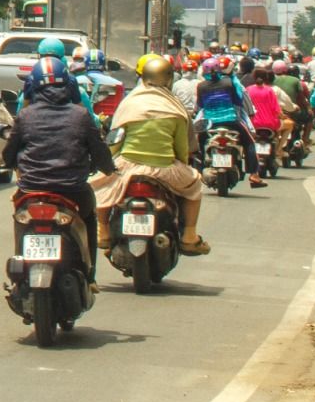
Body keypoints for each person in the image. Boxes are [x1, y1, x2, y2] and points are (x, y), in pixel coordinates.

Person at [1, 55, 116, 276]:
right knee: (89, 215)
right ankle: (89, 275)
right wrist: (108, 168)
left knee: (20, 217)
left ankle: (19, 272)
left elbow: (9, 153)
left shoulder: (25, 115)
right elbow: (99, 151)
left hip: (31, 190)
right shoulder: (81, 115)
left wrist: (13, 164)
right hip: (72, 190)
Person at [94, 55, 211, 255]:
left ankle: (103, 230)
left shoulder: (129, 103)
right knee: (195, 185)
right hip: (164, 168)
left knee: (102, 188)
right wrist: (183, 167)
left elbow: (115, 139)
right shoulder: (175, 108)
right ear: (168, 78)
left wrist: (111, 164)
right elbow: (181, 150)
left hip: (128, 165)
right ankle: (189, 236)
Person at [197, 58, 265, 187]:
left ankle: (198, 172)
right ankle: (254, 175)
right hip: (231, 121)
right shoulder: (229, 83)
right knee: (249, 142)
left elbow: (200, 106)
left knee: (198, 144)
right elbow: (238, 101)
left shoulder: (201, 86)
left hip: (209, 123)